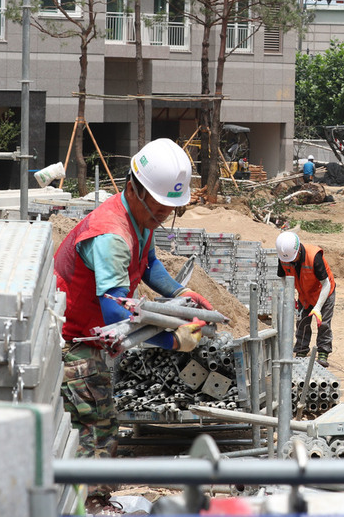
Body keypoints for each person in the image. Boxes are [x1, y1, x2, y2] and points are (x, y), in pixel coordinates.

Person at [54, 138, 214, 513]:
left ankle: (86, 499)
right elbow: (116, 318)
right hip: (72, 339)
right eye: (158, 210)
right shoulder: (111, 235)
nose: (161, 217)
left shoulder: (139, 216)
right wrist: (173, 341)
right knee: (98, 425)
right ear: (133, 188)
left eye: (167, 212)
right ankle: (90, 504)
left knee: (100, 420)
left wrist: (180, 292)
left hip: (89, 336)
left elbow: (149, 262)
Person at [275, 231, 336, 367]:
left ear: (298, 251)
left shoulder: (314, 256)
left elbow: (326, 283)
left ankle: (323, 352)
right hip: (305, 294)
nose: (289, 262)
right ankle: (301, 350)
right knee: (302, 321)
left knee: (323, 323)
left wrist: (318, 307)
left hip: (323, 292)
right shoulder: (284, 256)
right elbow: (283, 278)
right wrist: (290, 297)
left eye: (292, 259)